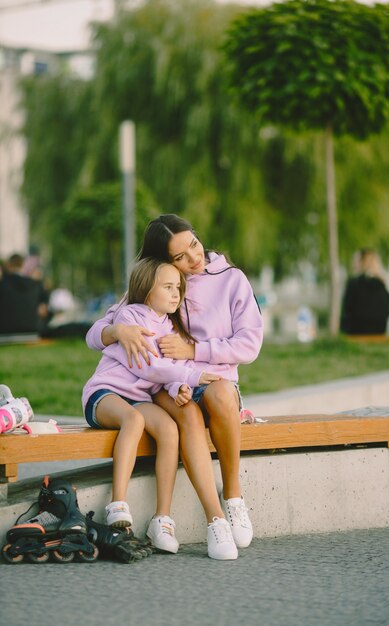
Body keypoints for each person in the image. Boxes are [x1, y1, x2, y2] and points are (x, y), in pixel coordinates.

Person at [86, 214, 263, 558]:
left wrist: (196, 350)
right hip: (167, 387)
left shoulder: (231, 280)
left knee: (224, 393)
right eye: (180, 256)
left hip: (212, 380)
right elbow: (95, 334)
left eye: (194, 244)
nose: (194, 258)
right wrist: (117, 332)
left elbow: (250, 344)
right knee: (188, 415)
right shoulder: (160, 284)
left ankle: (234, 498)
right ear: (165, 261)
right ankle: (216, 521)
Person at [82, 257, 222, 555]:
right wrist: (193, 376)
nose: (176, 294)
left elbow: (166, 372)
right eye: (168, 287)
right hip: (105, 394)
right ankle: (117, 504)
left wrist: (180, 388)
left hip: (139, 398)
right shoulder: (131, 317)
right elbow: (149, 368)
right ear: (146, 290)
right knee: (133, 420)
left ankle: (162, 518)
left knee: (170, 430)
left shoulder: (169, 327)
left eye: (179, 288)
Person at [341, 248, 389, 335]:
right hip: (378, 333)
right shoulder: (382, 286)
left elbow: (347, 311)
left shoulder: (354, 284)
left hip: (356, 333)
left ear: (362, 262)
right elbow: (386, 312)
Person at [0, 253, 49, 336]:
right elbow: (43, 311)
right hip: (32, 330)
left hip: (5, 331)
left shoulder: (2, 284)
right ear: (23, 265)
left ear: (8, 265)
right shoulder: (35, 285)